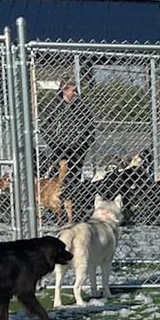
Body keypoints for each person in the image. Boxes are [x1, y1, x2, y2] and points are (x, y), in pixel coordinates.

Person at [42, 76, 92, 218]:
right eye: (71, 90)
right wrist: (54, 143)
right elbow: (45, 126)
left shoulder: (80, 106)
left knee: (74, 179)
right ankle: (55, 211)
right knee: (56, 179)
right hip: (59, 147)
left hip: (77, 148)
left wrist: (84, 144)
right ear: (63, 90)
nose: (74, 93)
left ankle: (73, 211)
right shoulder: (54, 105)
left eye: (75, 90)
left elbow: (89, 126)